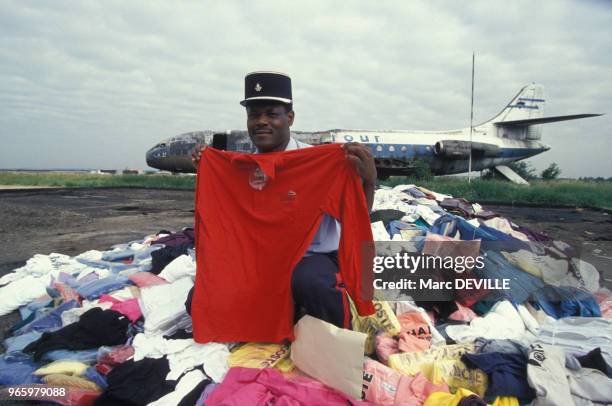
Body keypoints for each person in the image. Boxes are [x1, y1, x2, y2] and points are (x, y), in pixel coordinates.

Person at [191, 71, 376, 329]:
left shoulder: (320, 164)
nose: (261, 122)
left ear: (289, 118)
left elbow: (358, 218)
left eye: (271, 114)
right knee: (200, 298)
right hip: (266, 260)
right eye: (254, 115)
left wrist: (368, 182)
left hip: (315, 259)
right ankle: (288, 312)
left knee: (308, 281)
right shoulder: (241, 168)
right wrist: (210, 168)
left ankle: (345, 322)